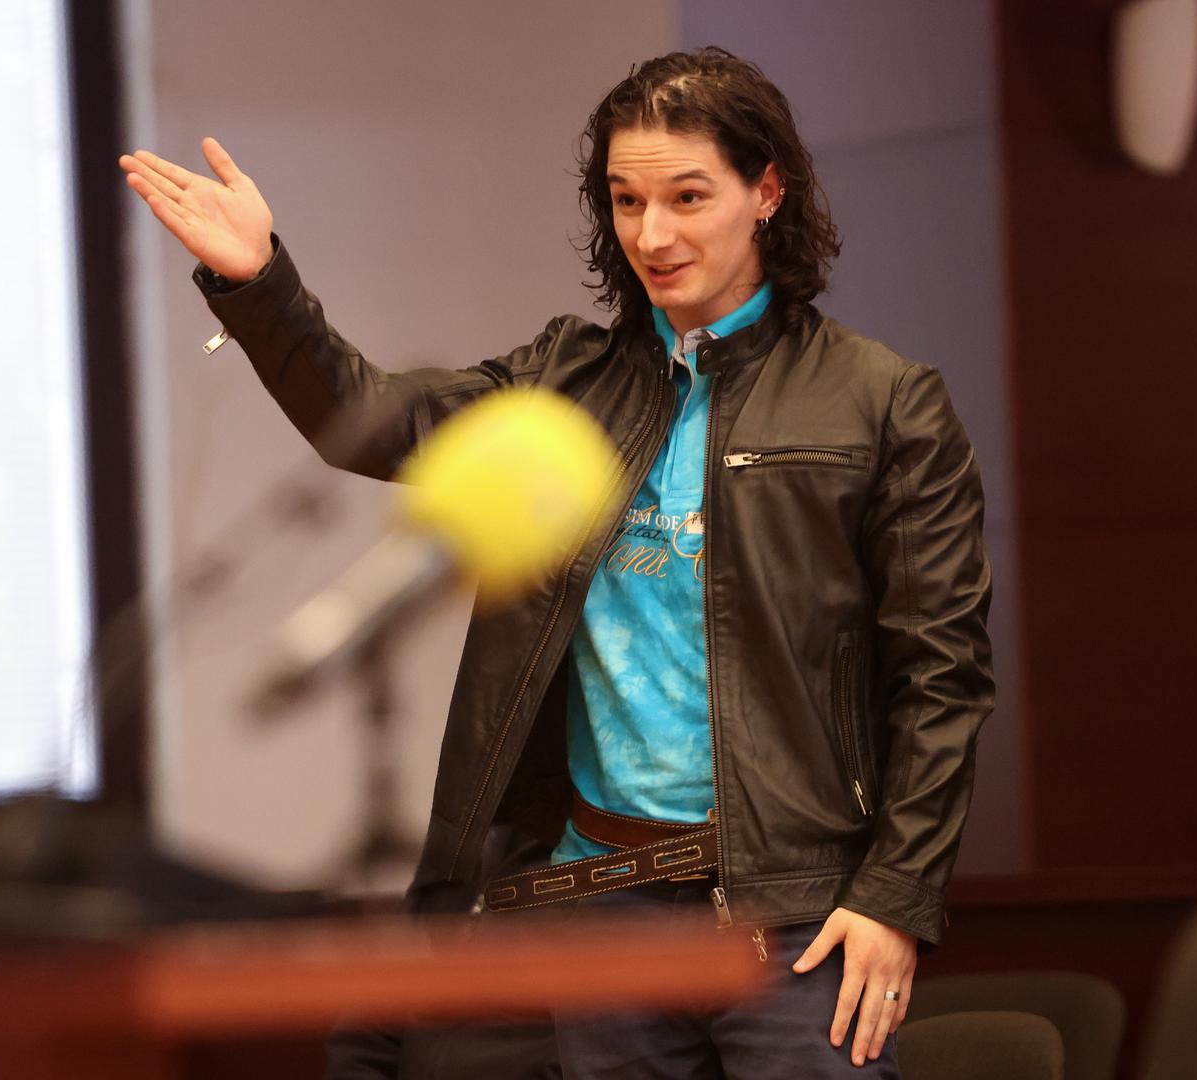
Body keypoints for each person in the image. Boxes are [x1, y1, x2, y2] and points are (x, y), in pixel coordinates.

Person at [121, 47, 994, 1080]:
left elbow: (942, 677)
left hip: (795, 912)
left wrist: (895, 897)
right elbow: (369, 418)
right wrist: (259, 283)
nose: (653, 235)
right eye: (627, 201)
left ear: (768, 192)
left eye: (687, 197)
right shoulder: (564, 384)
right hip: (601, 905)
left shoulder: (884, 403)